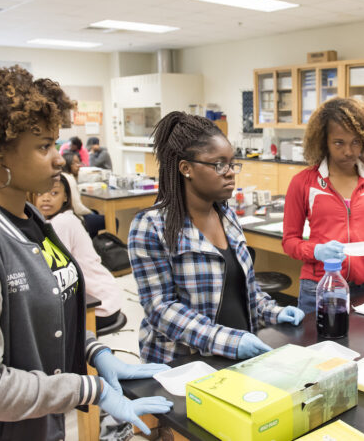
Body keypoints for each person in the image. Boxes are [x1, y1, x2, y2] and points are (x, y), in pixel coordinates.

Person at [0, 64, 171, 441]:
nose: (59, 158)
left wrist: (95, 352)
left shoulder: (30, 218)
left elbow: (41, 318)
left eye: (55, 143)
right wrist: (91, 389)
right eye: (43, 146)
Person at [128, 111, 305, 364]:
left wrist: (274, 312)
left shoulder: (227, 216)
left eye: (232, 163)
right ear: (186, 168)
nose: (231, 172)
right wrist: (230, 342)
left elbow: (246, 291)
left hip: (239, 357)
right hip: (185, 365)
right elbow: (161, 309)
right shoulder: (151, 226)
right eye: (219, 164)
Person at [282, 98, 364, 314]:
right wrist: (317, 250)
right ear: (324, 142)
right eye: (339, 143)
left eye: (356, 142)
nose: (349, 151)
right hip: (319, 287)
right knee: (315, 347)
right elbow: (289, 242)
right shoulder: (304, 182)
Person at [32, 173, 124, 329]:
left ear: (66, 197)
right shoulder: (59, 219)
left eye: (54, 193)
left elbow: (52, 268)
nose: (46, 198)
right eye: (40, 193)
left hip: (99, 306)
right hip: (108, 297)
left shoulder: (62, 222)